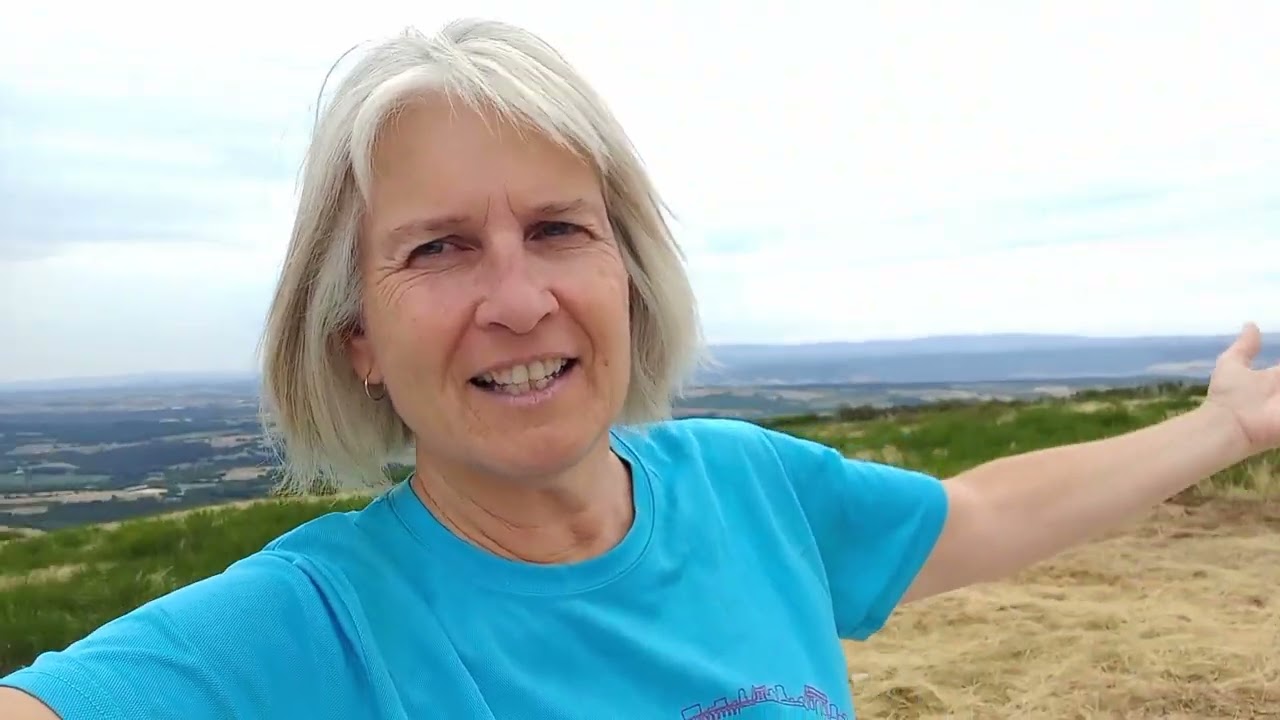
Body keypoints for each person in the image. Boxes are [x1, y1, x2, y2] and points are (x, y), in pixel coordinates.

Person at [2, 18, 1276, 720]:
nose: (518, 297)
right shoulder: (312, 629)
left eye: (559, 228)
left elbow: (987, 513)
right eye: (439, 248)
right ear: (357, 343)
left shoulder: (748, 489)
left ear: (626, 272)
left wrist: (1221, 428)